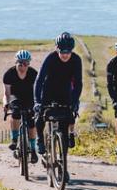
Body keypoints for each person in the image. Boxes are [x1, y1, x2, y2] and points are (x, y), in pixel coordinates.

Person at [34, 32, 83, 161]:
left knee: (65, 125)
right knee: (40, 115)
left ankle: (63, 162)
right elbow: (39, 81)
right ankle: (40, 138)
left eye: (68, 51)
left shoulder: (76, 60)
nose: (65, 55)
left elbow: (78, 83)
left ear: (72, 50)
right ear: (57, 49)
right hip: (48, 91)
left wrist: (74, 101)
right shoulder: (50, 58)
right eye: (62, 52)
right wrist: (37, 102)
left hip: (65, 93)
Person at [2, 50, 39, 163]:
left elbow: (37, 92)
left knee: (32, 122)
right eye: (21, 63)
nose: (23, 66)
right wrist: (5, 104)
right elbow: (6, 93)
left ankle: (33, 150)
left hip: (29, 98)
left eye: (26, 63)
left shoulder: (34, 73)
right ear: (16, 62)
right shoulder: (9, 74)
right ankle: (14, 139)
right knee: (15, 112)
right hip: (15, 97)